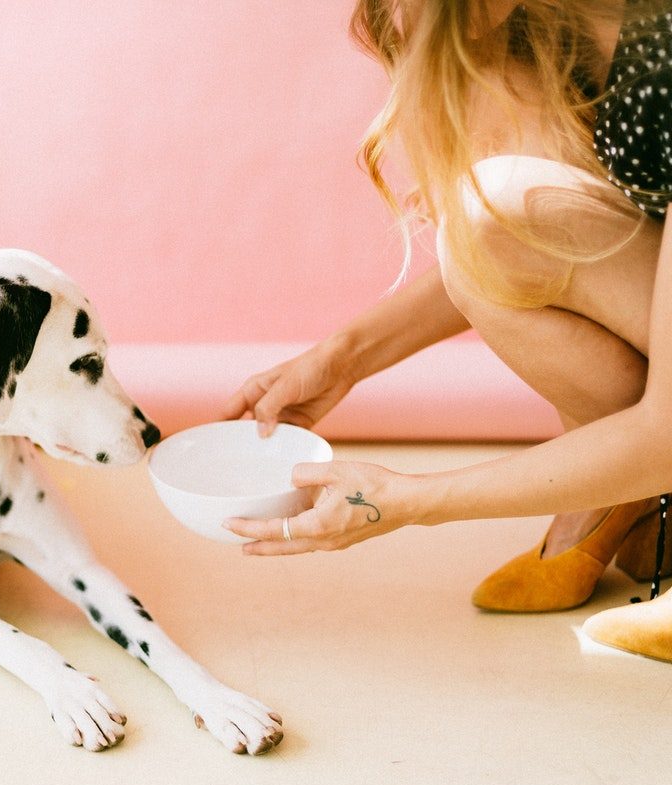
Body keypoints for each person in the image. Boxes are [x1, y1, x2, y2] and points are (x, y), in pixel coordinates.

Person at [221, 0, 672, 662]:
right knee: (490, 227)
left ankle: (621, 484)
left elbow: (666, 428)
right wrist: (341, 359)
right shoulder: (574, 37)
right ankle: (618, 492)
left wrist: (409, 501)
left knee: (497, 212)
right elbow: (515, 255)